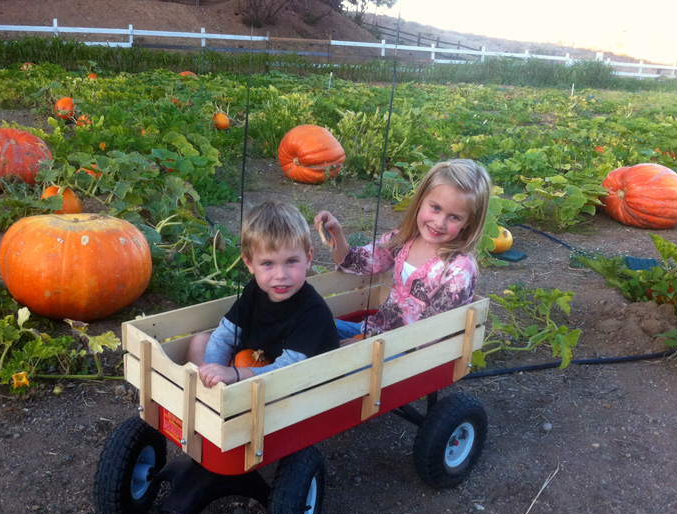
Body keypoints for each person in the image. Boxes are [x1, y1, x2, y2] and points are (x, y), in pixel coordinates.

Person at [314, 159, 490, 341]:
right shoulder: (403, 240)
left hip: (407, 354)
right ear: (421, 200)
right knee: (310, 322)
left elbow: (432, 335)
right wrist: (335, 234)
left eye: (454, 217)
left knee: (329, 354)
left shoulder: (458, 269)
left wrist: (359, 346)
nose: (439, 223)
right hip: (371, 334)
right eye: (435, 208)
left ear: (467, 222)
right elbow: (354, 262)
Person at [188, 200, 339, 387]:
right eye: (268, 264)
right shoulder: (254, 290)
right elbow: (226, 334)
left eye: (291, 261)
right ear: (249, 263)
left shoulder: (313, 311)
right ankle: (204, 392)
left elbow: (287, 370)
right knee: (200, 341)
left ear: (308, 258)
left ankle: (215, 398)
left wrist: (234, 374)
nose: (280, 275)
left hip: (298, 383)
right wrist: (212, 371)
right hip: (256, 363)